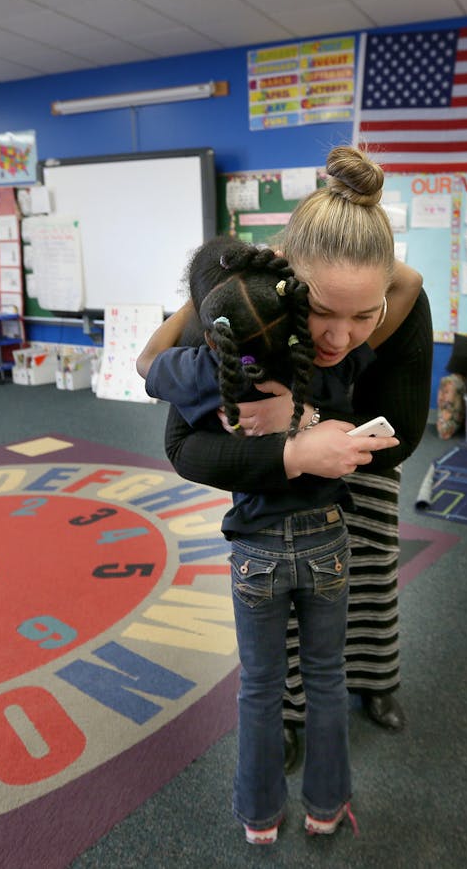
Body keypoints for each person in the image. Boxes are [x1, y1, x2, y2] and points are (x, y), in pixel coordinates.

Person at [146, 146, 433, 769]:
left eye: (364, 316)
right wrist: (291, 452)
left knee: (370, 580)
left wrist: (311, 424)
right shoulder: (242, 306)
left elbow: (404, 433)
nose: (339, 337)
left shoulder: (402, 302)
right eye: (321, 311)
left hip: (367, 463)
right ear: (284, 283)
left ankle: (376, 679)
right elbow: (182, 444)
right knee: (277, 610)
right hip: (265, 486)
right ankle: (285, 715)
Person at [143, 239, 396, 843]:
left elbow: (149, 364)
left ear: (213, 326)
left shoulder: (207, 371)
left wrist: (199, 305)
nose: (341, 332)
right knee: (326, 677)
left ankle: (259, 820)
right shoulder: (330, 360)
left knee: (259, 684)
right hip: (326, 543)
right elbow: (399, 298)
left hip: (254, 549)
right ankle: (326, 808)